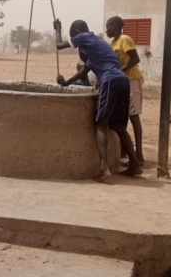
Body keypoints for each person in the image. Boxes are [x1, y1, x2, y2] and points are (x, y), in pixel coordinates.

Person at [54, 18, 142, 180]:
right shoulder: (98, 42)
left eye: (73, 35)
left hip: (110, 80)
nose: (74, 40)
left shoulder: (84, 37)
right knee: (117, 125)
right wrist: (66, 83)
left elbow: (59, 45)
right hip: (123, 80)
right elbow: (85, 69)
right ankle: (135, 164)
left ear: (76, 33)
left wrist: (57, 30)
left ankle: (104, 168)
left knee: (100, 123)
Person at [105, 16, 145, 165]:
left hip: (132, 79)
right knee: (124, 115)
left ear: (114, 26)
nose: (106, 30)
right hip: (123, 82)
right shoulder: (112, 43)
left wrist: (122, 70)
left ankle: (139, 154)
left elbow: (135, 59)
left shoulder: (125, 39)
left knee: (133, 116)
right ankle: (124, 151)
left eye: (107, 26)